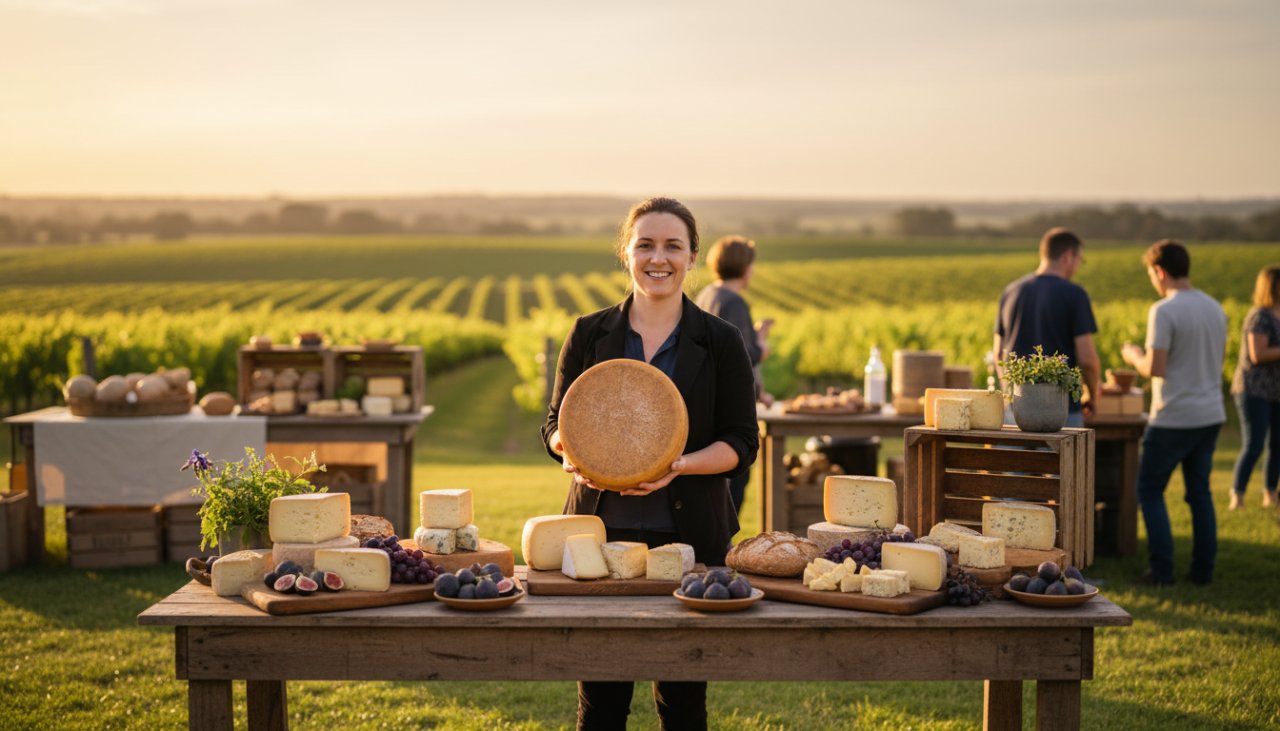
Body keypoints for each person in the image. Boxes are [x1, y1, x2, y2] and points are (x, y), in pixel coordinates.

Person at [541, 196, 759, 730]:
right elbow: (553, 425)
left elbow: (741, 442)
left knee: (682, 702)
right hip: (600, 534)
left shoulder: (721, 340)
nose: (657, 258)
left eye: (672, 246)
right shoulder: (589, 333)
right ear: (626, 254)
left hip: (689, 540)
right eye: (645, 245)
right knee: (601, 702)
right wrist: (568, 452)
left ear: (691, 257)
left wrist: (678, 465)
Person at [1122, 240, 1227, 586]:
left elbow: (1156, 367)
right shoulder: (1215, 308)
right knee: (1200, 493)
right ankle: (1203, 572)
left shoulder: (1164, 310)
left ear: (1160, 271)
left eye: (1152, 274)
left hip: (1173, 416)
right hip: (1211, 413)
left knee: (1149, 491)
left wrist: (1133, 355)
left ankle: (1162, 570)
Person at [695, 234, 773, 514]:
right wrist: (761, 348)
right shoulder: (734, 302)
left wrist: (759, 392)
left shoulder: (707, 294)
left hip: (706, 405)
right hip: (727, 411)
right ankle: (722, 547)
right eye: (751, 265)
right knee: (735, 481)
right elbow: (739, 358)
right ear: (744, 267)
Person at [994, 227, 1101, 426]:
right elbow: (1087, 360)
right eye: (1080, 260)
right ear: (1068, 256)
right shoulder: (1074, 295)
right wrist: (1092, 395)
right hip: (1061, 413)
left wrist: (1011, 396)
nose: (1078, 266)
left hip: (1016, 411)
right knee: (1061, 459)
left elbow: (999, 353)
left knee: (1011, 459)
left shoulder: (1011, 291)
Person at [1228, 265, 1280, 510]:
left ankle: (1270, 493)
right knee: (1254, 444)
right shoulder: (1259, 316)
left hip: (1276, 391)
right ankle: (1237, 495)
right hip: (1253, 390)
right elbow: (1257, 354)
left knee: (1277, 444)